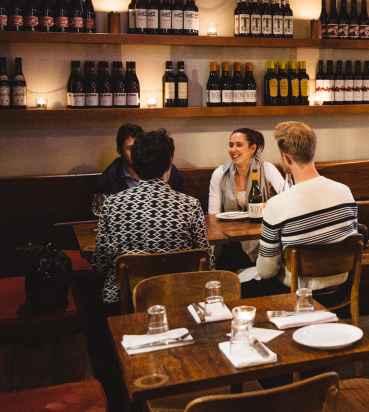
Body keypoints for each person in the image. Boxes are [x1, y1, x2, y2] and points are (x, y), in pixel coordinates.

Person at [92, 129, 213, 306]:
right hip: (179, 300)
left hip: (125, 302)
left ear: (136, 162)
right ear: (170, 163)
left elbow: (99, 263)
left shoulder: (112, 204)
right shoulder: (190, 205)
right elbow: (207, 262)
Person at [256, 121, 358, 293]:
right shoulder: (345, 192)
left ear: (287, 158)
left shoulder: (277, 205)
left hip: (297, 296)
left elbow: (266, 271)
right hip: (341, 289)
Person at [208, 128, 289, 216]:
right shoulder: (220, 173)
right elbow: (213, 214)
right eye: (231, 145)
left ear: (252, 148)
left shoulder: (266, 168)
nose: (233, 149)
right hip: (229, 224)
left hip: (260, 223)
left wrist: (266, 205)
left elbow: (288, 194)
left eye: (239, 145)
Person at [95, 123, 188, 195]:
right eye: (130, 148)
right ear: (119, 151)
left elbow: (183, 197)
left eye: (138, 147)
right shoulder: (110, 178)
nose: (136, 151)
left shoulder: (163, 166)